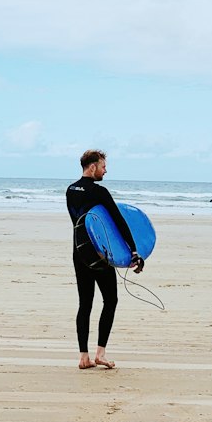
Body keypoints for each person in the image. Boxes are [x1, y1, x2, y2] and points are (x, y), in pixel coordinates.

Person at [66, 149, 144, 370]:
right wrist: (133, 251)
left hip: (79, 253)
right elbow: (117, 221)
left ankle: (83, 357)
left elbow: (82, 223)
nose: (105, 170)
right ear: (93, 167)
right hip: (99, 256)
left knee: (85, 304)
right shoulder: (99, 192)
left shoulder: (70, 190)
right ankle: (100, 353)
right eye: (103, 166)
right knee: (110, 301)